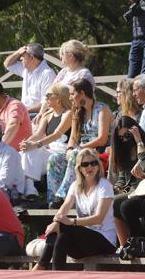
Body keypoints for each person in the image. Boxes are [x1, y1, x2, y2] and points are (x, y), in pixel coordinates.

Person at [33, 149, 116, 270]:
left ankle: (41, 265)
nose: (90, 167)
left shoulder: (105, 185)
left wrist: (71, 222)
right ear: (79, 168)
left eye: (94, 163)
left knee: (63, 227)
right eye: (85, 164)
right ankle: (56, 274)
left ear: (98, 166)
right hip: (82, 243)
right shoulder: (75, 186)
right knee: (61, 235)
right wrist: (56, 222)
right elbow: (64, 207)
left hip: (105, 241)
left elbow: (98, 218)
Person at [47, 79, 112, 207]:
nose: (70, 98)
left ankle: (63, 196)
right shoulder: (77, 112)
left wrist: (79, 148)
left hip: (96, 150)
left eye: (72, 94)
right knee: (54, 158)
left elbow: (102, 138)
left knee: (76, 154)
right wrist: (69, 148)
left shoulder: (102, 109)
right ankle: (52, 197)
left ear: (82, 93)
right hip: (78, 150)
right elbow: (73, 137)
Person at [111, 115, 145, 246]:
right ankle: (124, 245)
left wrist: (139, 142)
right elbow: (122, 178)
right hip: (131, 190)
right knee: (111, 200)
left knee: (117, 203)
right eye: (121, 138)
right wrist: (116, 188)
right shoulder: (124, 150)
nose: (125, 140)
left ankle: (130, 243)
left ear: (135, 130)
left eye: (127, 135)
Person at [19, 84, 72, 198]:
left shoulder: (69, 113)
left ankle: (27, 188)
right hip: (48, 149)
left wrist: (35, 145)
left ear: (59, 98)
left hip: (62, 150)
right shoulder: (47, 115)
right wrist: (27, 143)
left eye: (48, 95)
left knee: (32, 150)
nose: (46, 98)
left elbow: (57, 134)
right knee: (26, 151)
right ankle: (30, 188)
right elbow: (38, 134)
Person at [33, 40, 95, 123]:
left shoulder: (84, 75)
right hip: (56, 112)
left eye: (62, 54)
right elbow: (50, 92)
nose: (60, 57)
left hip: (73, 115)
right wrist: (41, 112)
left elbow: (80, 101)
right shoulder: (64, 71)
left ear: (70, 56)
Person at [3, 42, 56, 114]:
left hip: (38, 114)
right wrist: (18, 52)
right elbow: (7, 64)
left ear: (31, 57)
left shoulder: (47, 74)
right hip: (26, 113)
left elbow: (47, 102)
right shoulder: (26, 69)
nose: (20, 58)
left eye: (23, 56)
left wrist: (24, 112)